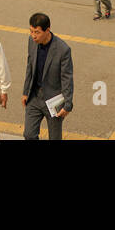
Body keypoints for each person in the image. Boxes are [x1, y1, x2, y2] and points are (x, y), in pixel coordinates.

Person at [21, 12, 74, 141]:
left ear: (47, 30)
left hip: (54, 99)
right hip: (34, 97)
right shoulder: (31, 41)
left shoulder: (63, 49)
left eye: (37, 32)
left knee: (55, 137)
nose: (33, 36)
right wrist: (25, 91)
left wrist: (68, 104)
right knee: (29, 134)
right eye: (31, 31)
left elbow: (67, 78)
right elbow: (30, 66)